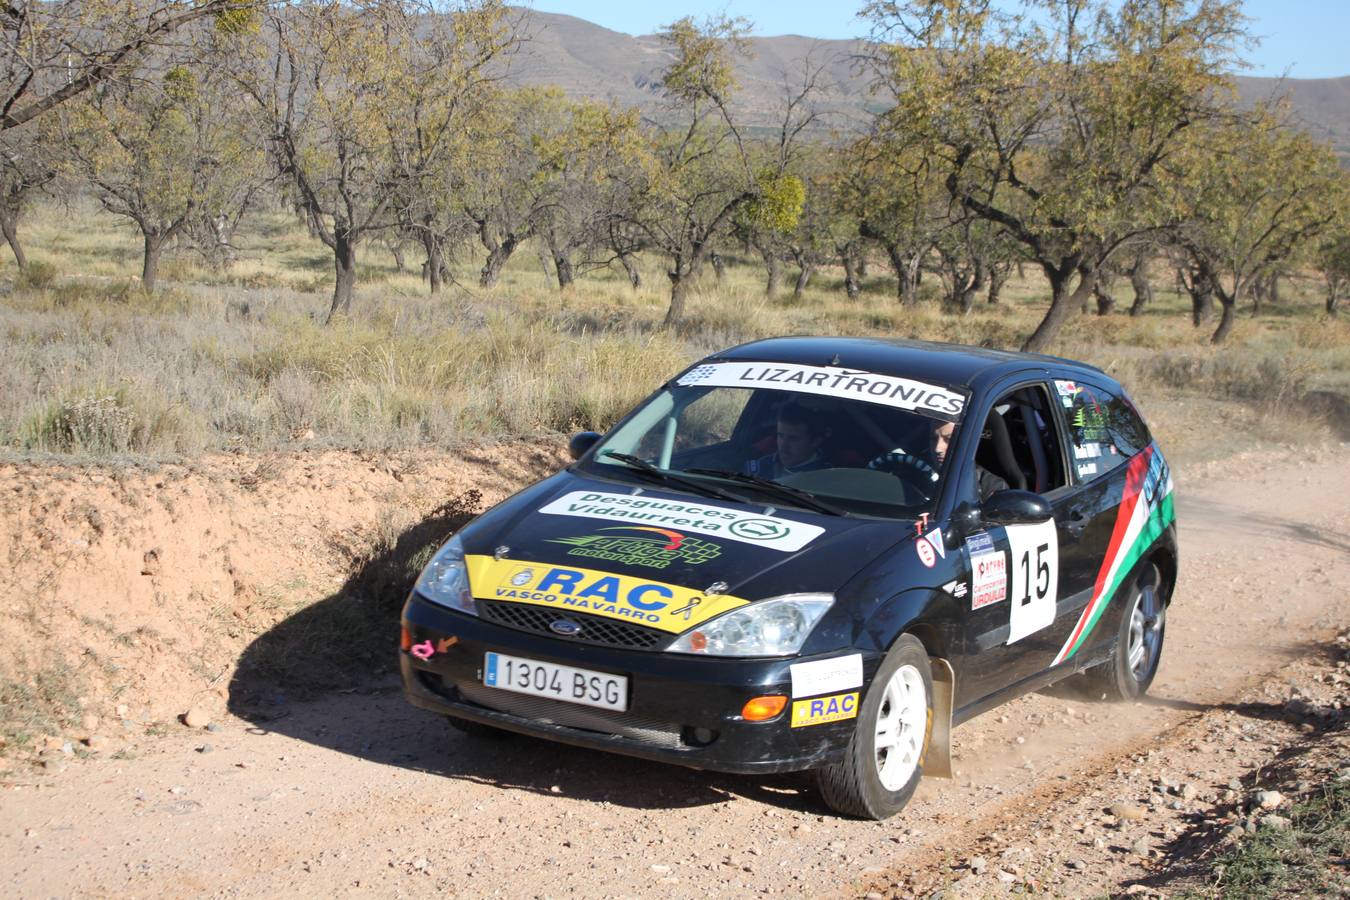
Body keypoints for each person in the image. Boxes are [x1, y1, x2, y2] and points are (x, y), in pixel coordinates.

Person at [745, 402, 832, 479]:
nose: (783, 447)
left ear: (815, 441)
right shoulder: (758, 467)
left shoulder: (828, 478)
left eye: (793, 439)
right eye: (780, 436)